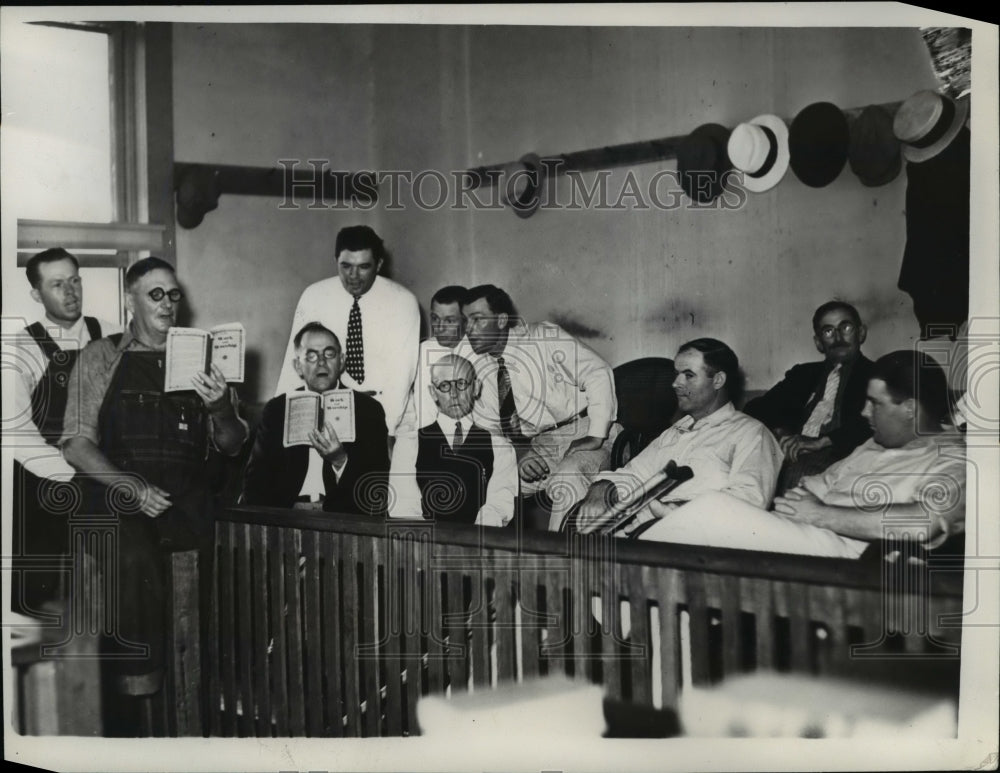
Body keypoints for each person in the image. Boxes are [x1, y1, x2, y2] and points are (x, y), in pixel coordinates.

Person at [61, 257, 248, 717]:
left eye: (174, 294)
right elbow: (76, 444)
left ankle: (197, 701)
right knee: (132, 557)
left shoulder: (208, 361)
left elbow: (233, 444)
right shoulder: (101, 356)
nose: (168, 304)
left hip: (183, 498)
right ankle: (134, 693)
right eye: (155, 294)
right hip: (115, 493)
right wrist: (132, 487)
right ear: (131, 300)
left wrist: (222, 407)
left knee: (213, 596)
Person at [635, 350, 965, 559]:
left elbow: (924, 522)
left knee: (711, 508)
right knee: (690, 564)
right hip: (808, 538)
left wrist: (819, 514)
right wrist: (791, 510)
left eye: (875, 403)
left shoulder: (954, 459)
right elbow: (816, 486)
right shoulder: (873, 445)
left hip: (849, 557)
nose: (864, 412)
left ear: (909, 408)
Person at [6, 248, 119, 616]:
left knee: (113, 587)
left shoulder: (112, 338)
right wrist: (72, 474)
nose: (71, 292)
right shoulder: (20, 349)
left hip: (104, 474)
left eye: (75, 281)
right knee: (41, 601)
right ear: (37, 294)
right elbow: (16, 434)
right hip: (46, 484)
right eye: (57, 284)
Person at [574, 338, 783, 535]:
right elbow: (635, 474)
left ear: (718, 380)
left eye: (688, 375)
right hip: (642, 534)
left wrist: (680, 511)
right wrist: (603, 488)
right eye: (676, 374)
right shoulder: (677, 431)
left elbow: (751, 502)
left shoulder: (752, 433)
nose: (675, 383)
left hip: (695, 543)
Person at [462, 284, 620, 531]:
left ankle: (563, 562)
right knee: (490, 484)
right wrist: (520, 452)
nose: (469, 329)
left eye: (477, 320)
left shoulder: (542, 337)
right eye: (466, 321)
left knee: (567, 477)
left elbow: (597, 372)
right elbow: (489, 428)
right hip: (539, 445)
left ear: (502, 320)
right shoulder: (481, 368)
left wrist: (595, 435)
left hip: (587, 430)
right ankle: (489, 559)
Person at [272, 225, 420, 442]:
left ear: (379, 265)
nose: (353, 276)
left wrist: (387, 432)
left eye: (363, 267)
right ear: (336, 261)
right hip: (334, 412)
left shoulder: (402, 301)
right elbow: (295, 363)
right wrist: (282, 421)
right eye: (346, 266)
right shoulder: (314, 296)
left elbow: (401, 376)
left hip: (393, 415)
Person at [242, 322, 390, 514]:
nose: (321, 362)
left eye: (329, 354)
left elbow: (377, 488)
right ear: (298, 366)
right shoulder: (277, 409)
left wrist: (340, 461)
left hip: (343, 520)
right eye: (311, 356)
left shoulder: (368, 409)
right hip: (286, 517)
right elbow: (255, 483)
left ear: (342, 361)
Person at [744, 301, 874, 491]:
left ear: (861, 333)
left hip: (841, 453)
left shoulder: (878, 375)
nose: (838, 337)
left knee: (800, 474)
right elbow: (757, 408)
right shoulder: (803, 374)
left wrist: (823, 441)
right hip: (793, 449)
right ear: (819, 343)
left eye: (845, 327)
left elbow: (871, 423)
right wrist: (783, 432)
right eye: (828, 331)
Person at [389, 285, 477, 517]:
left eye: (449, 320)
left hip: (464, 440)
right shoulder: (419, 351)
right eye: (435, 318)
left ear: (465, 321)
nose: (439, 327)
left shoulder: (477, 352)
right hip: (423, 436)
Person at [415, 354, 518, 527]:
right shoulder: (410, 443)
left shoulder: (500, 447)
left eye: (462, 383)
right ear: (433, 392)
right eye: (445, 385)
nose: (454, 394)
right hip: (424, 544)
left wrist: (469, 542)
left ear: (476, 387)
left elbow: (499, 505)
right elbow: (406, 505)